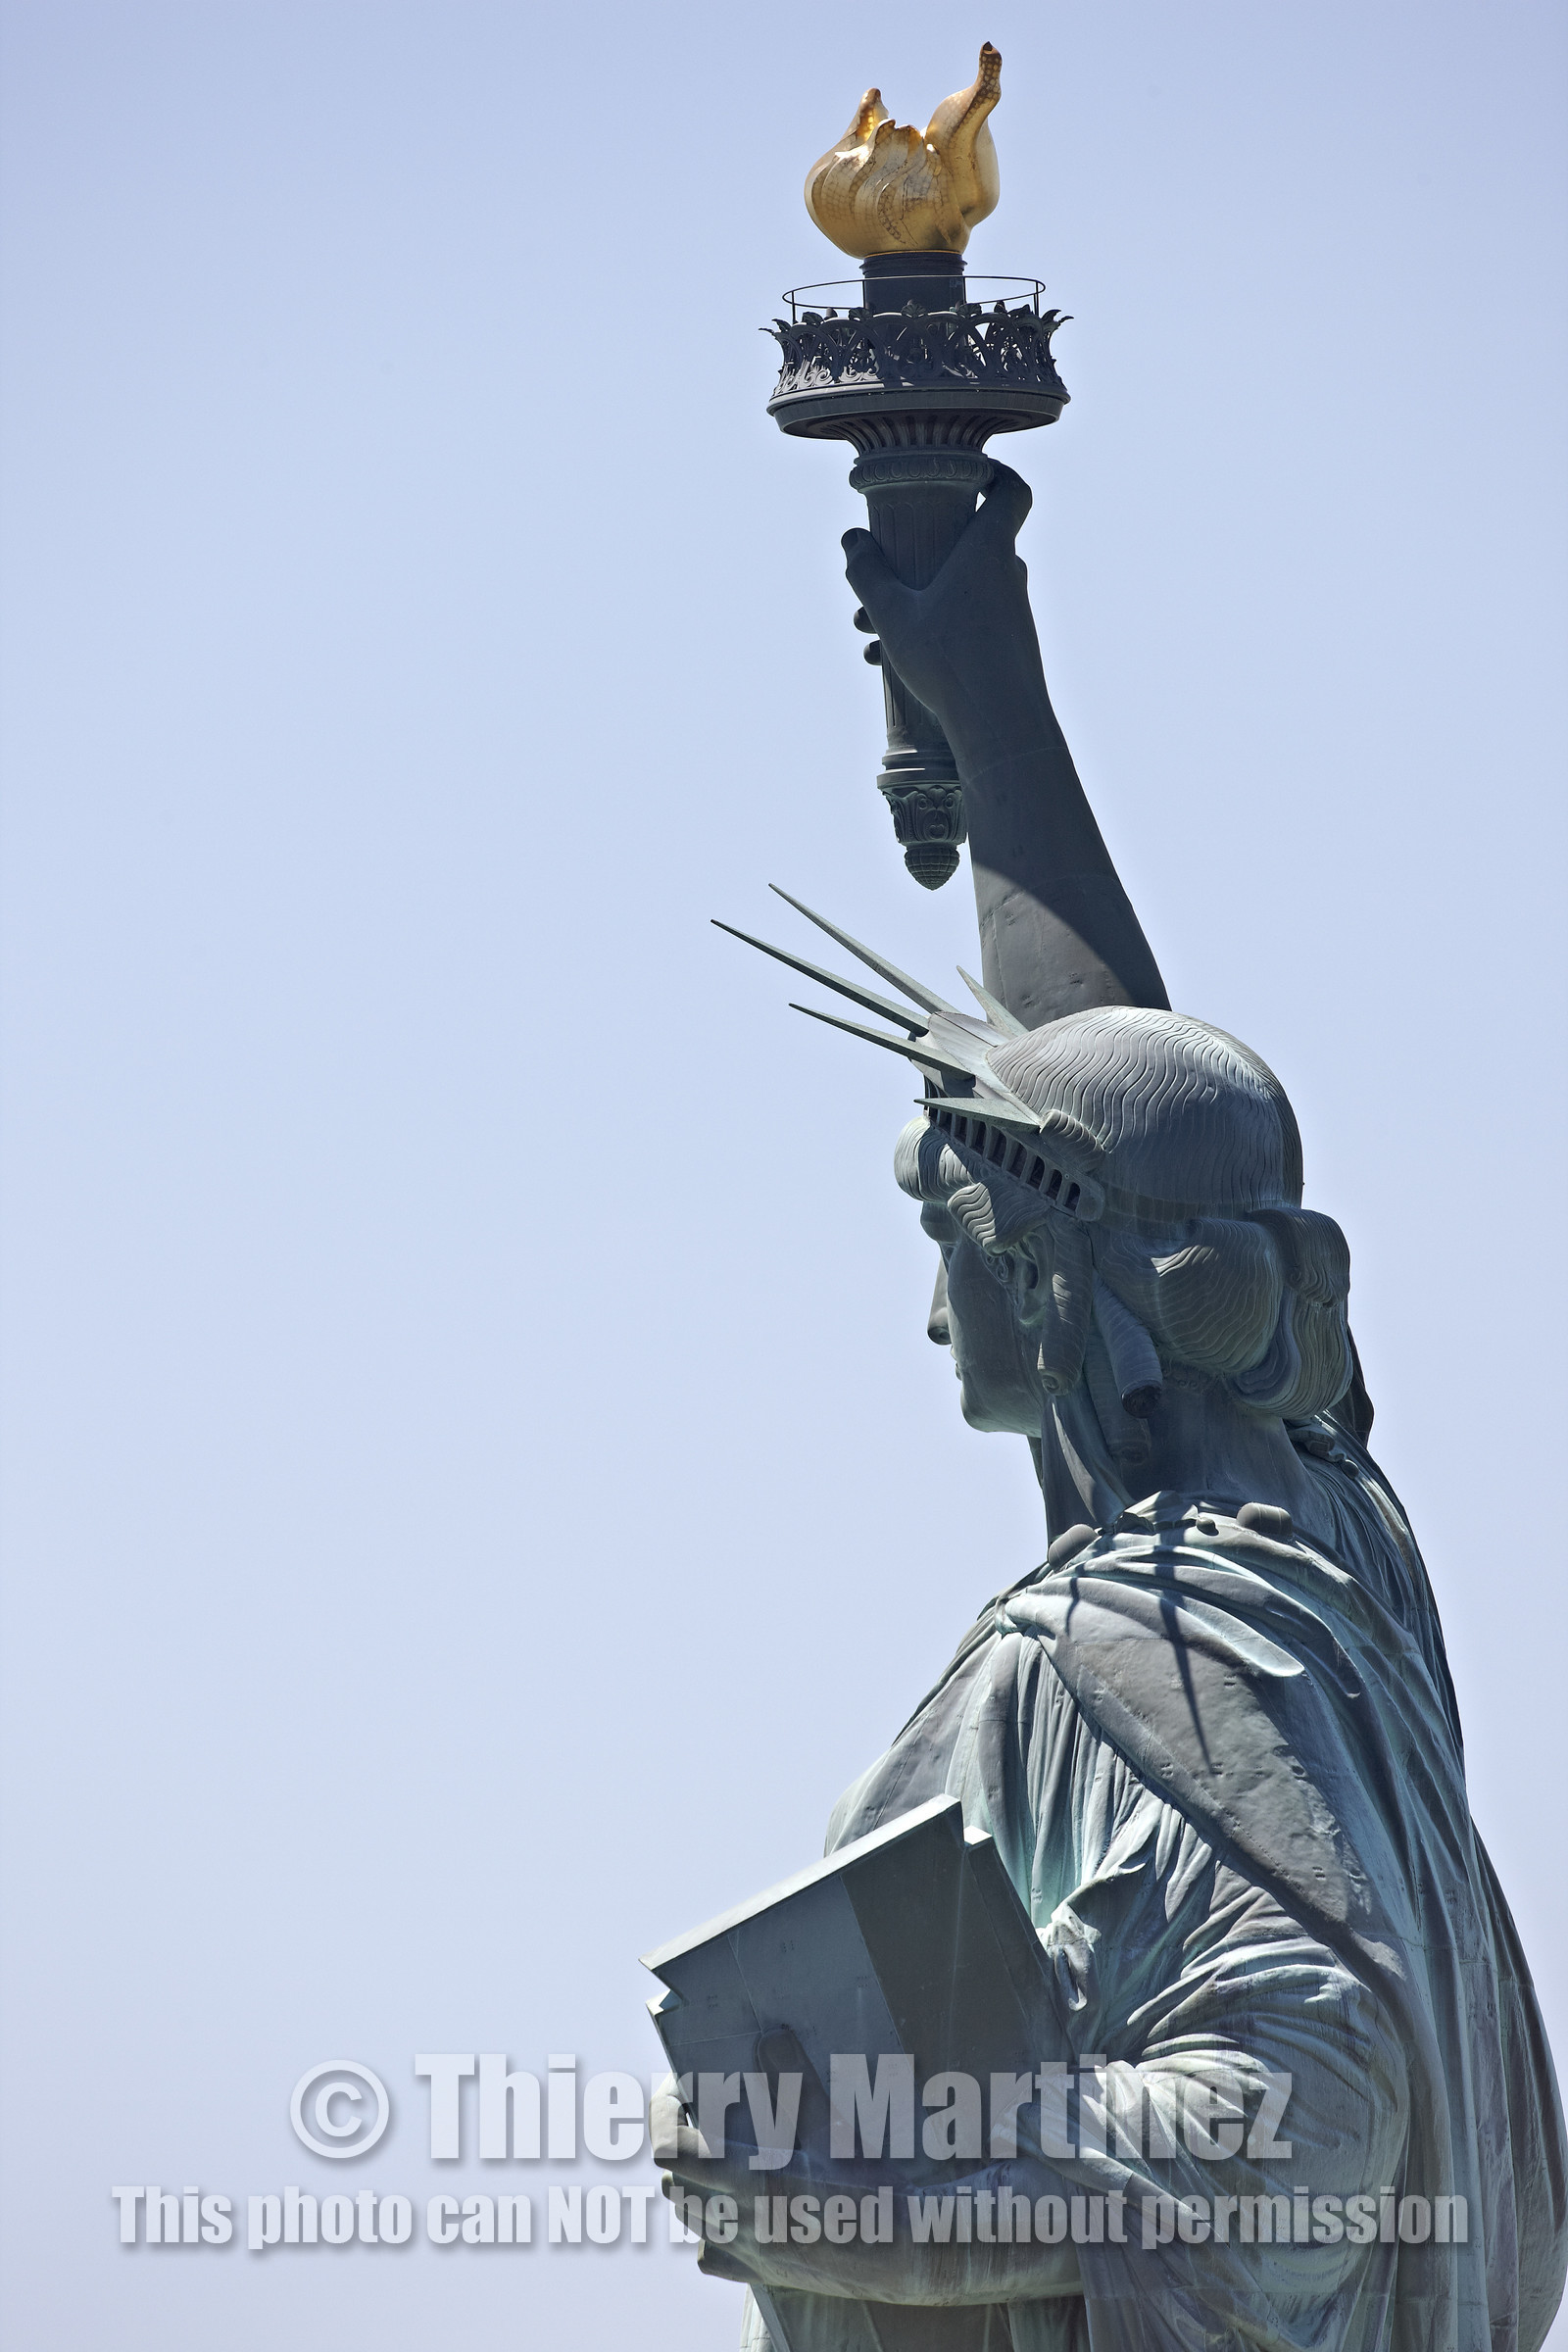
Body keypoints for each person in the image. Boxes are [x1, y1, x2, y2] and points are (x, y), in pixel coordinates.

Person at [659, 467, 1567, 2352]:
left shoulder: (1148, 1657)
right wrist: (984, 694)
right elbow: (1122, 1091)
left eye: (967, 1260)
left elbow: (1300, 2132)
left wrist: (831, 2193)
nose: (932, 1319)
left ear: (1071, 1297)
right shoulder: (1318, 1541)